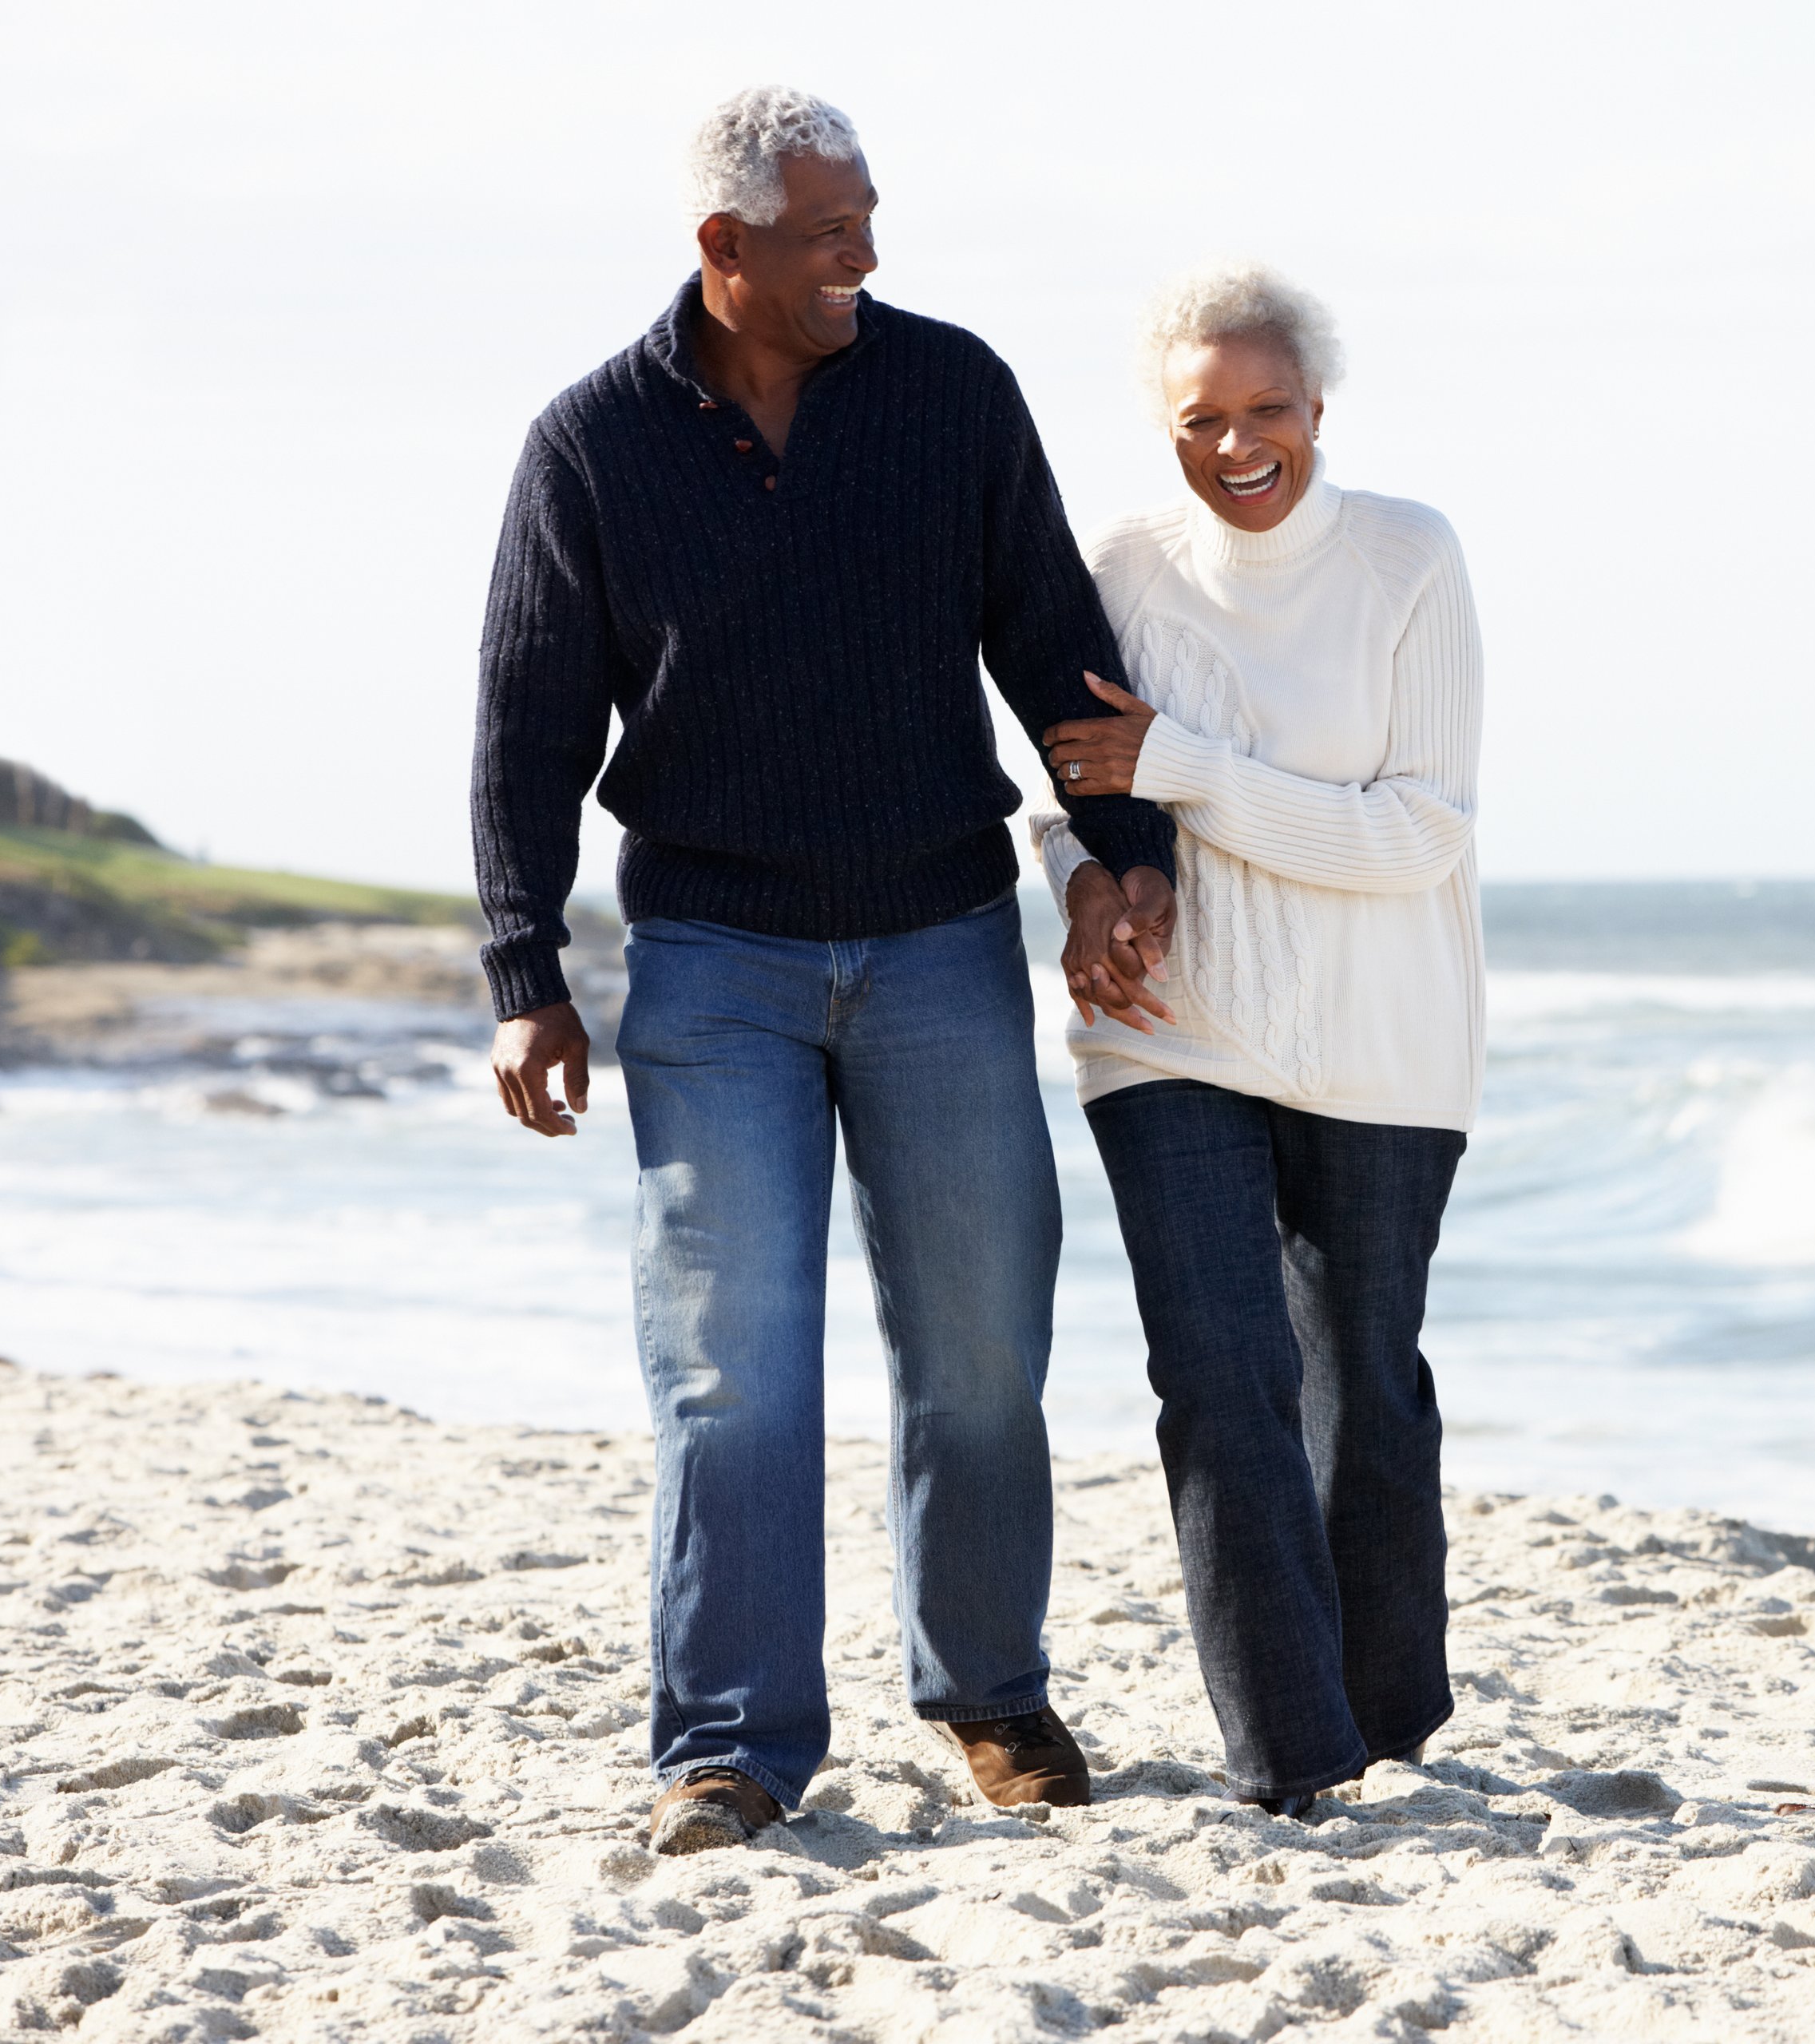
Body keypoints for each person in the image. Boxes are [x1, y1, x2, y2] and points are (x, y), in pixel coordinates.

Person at [472, 88, 1179, 1853]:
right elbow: (529, 720)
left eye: (869, 218)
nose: (865, 257)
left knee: (979, 1344)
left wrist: (1125, 855)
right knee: (732, 1364)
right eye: (828, 232)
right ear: (724, 249)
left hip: (941, 935)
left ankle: (989, 1686)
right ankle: (729, 1743)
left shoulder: (951, 393)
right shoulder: (592, 445)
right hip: (711, 958)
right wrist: (522, 966)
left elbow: (1050, 639)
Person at [1031, 263, 1485, 1817]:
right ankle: (1292, 1757)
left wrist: (1192, 769)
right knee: (1219, 1376)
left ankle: (1386, 1717)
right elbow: (1067, 787)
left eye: (1267, 410)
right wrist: (1091, 880)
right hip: (1176, 1028)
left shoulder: (1408, 558)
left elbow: (1419, 831)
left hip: (1383, 1037)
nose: (1237, 445)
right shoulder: (1119, 566)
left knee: (1358, 1386)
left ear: (1318, 409)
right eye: (1201, 418)